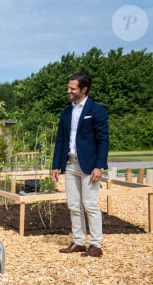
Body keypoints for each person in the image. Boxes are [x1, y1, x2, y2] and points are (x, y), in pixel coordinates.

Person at [51, 72, 109, 257]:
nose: (68, 91)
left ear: (84, 89)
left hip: (90, 166)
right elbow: (60, 141)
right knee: (73, 205)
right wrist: (55, 165)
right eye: (68, 87)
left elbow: (103, 140)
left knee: (90, 205)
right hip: (70, 164)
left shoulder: (96, 110)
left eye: (72, 88)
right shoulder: (66, 113)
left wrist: (99, 166)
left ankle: (95, 245)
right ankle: (78, 242)